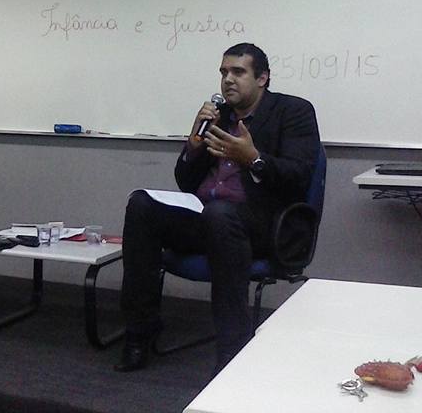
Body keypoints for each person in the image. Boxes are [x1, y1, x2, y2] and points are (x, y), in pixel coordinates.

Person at [116, 43, 320, 375]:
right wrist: (193, 144)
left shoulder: (292, 111)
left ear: (262, 78)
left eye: (238, 72)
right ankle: (139, 332)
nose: (228, 80)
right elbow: (185, 181)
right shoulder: (218, 116)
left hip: (261, 223)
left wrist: (252, 159)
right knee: (142, 204)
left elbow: (298, 178)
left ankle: (231, 351)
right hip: (208, 217)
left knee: (220, 214)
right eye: (224, 72)